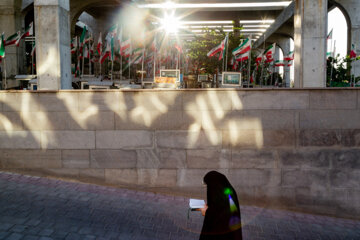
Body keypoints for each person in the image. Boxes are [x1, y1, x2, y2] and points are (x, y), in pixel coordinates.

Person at [199, 171, 243, 240]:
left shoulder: (219, 198)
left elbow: (214, 219)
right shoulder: (229, 193)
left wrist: (205, 211)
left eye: (208, 186)